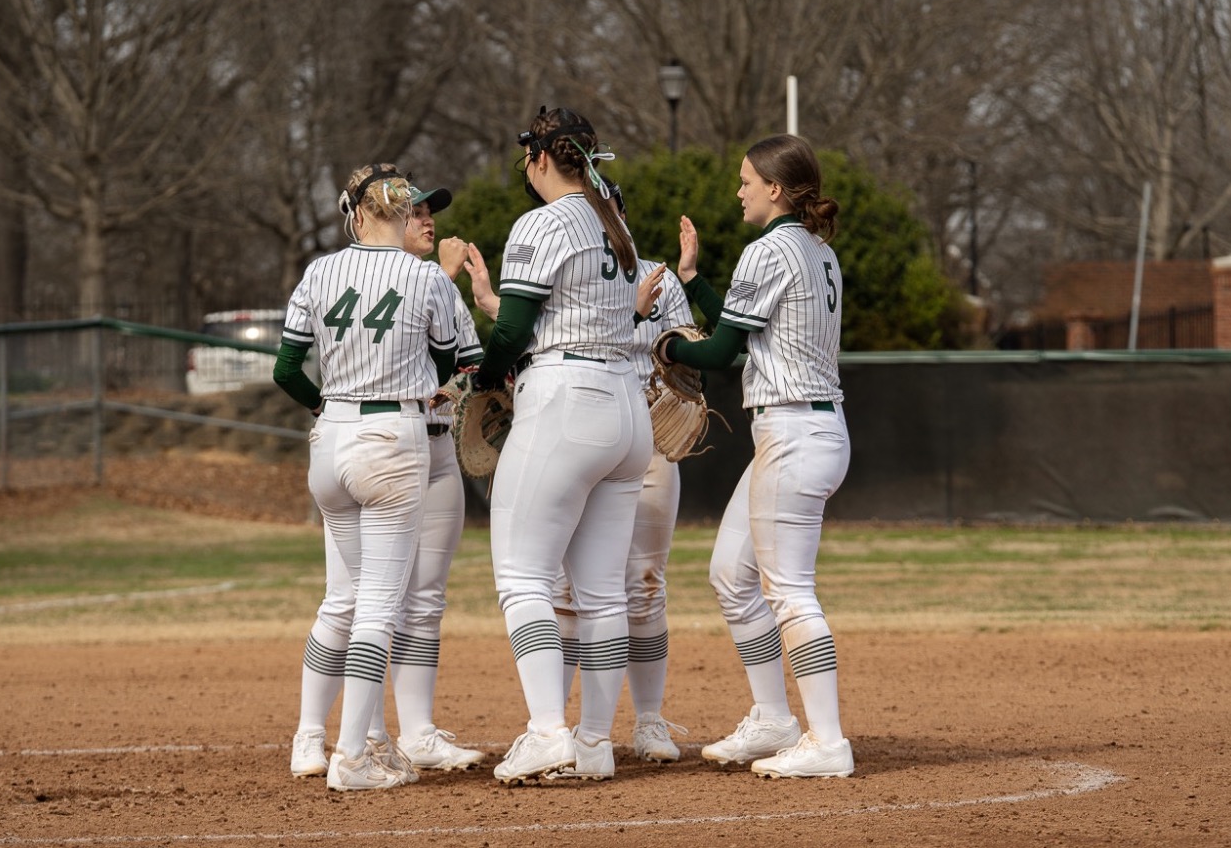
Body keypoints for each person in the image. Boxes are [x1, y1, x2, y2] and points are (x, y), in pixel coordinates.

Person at [466, 181, 696, 764]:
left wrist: (488, 373)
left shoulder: (635, 266)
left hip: (610, 419)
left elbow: (680, 349)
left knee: (602, 583)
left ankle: (583, 728)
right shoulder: (596, 261)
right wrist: (491, 303)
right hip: (617, 423)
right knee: (586, 591)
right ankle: (586, 739)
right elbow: (549, 325)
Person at [655, 134, 855, 778]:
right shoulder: (817, 249)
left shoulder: (768, 249)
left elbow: (719, 352)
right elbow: (743, 333)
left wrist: (666, 349)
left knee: (789, 591)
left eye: (747, 181)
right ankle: (773, 718)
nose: (738, 191)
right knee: (731, 576)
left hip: (794, 433)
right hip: (806, 430)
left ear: (775, 188)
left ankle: (828, 741)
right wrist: (692, 280)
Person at [287, 184, 488, 782]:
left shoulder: (326, 271)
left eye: (429, 213)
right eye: (415, 211)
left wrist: (325, 409)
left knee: (413, 601)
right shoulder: (425, 280)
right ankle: (344, 742)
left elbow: (468, 366)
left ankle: (401, 735)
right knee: (365, 602)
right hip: (394, 443)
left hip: (384, 443)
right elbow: (447, 357)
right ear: (387, 217)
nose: (426, 221)